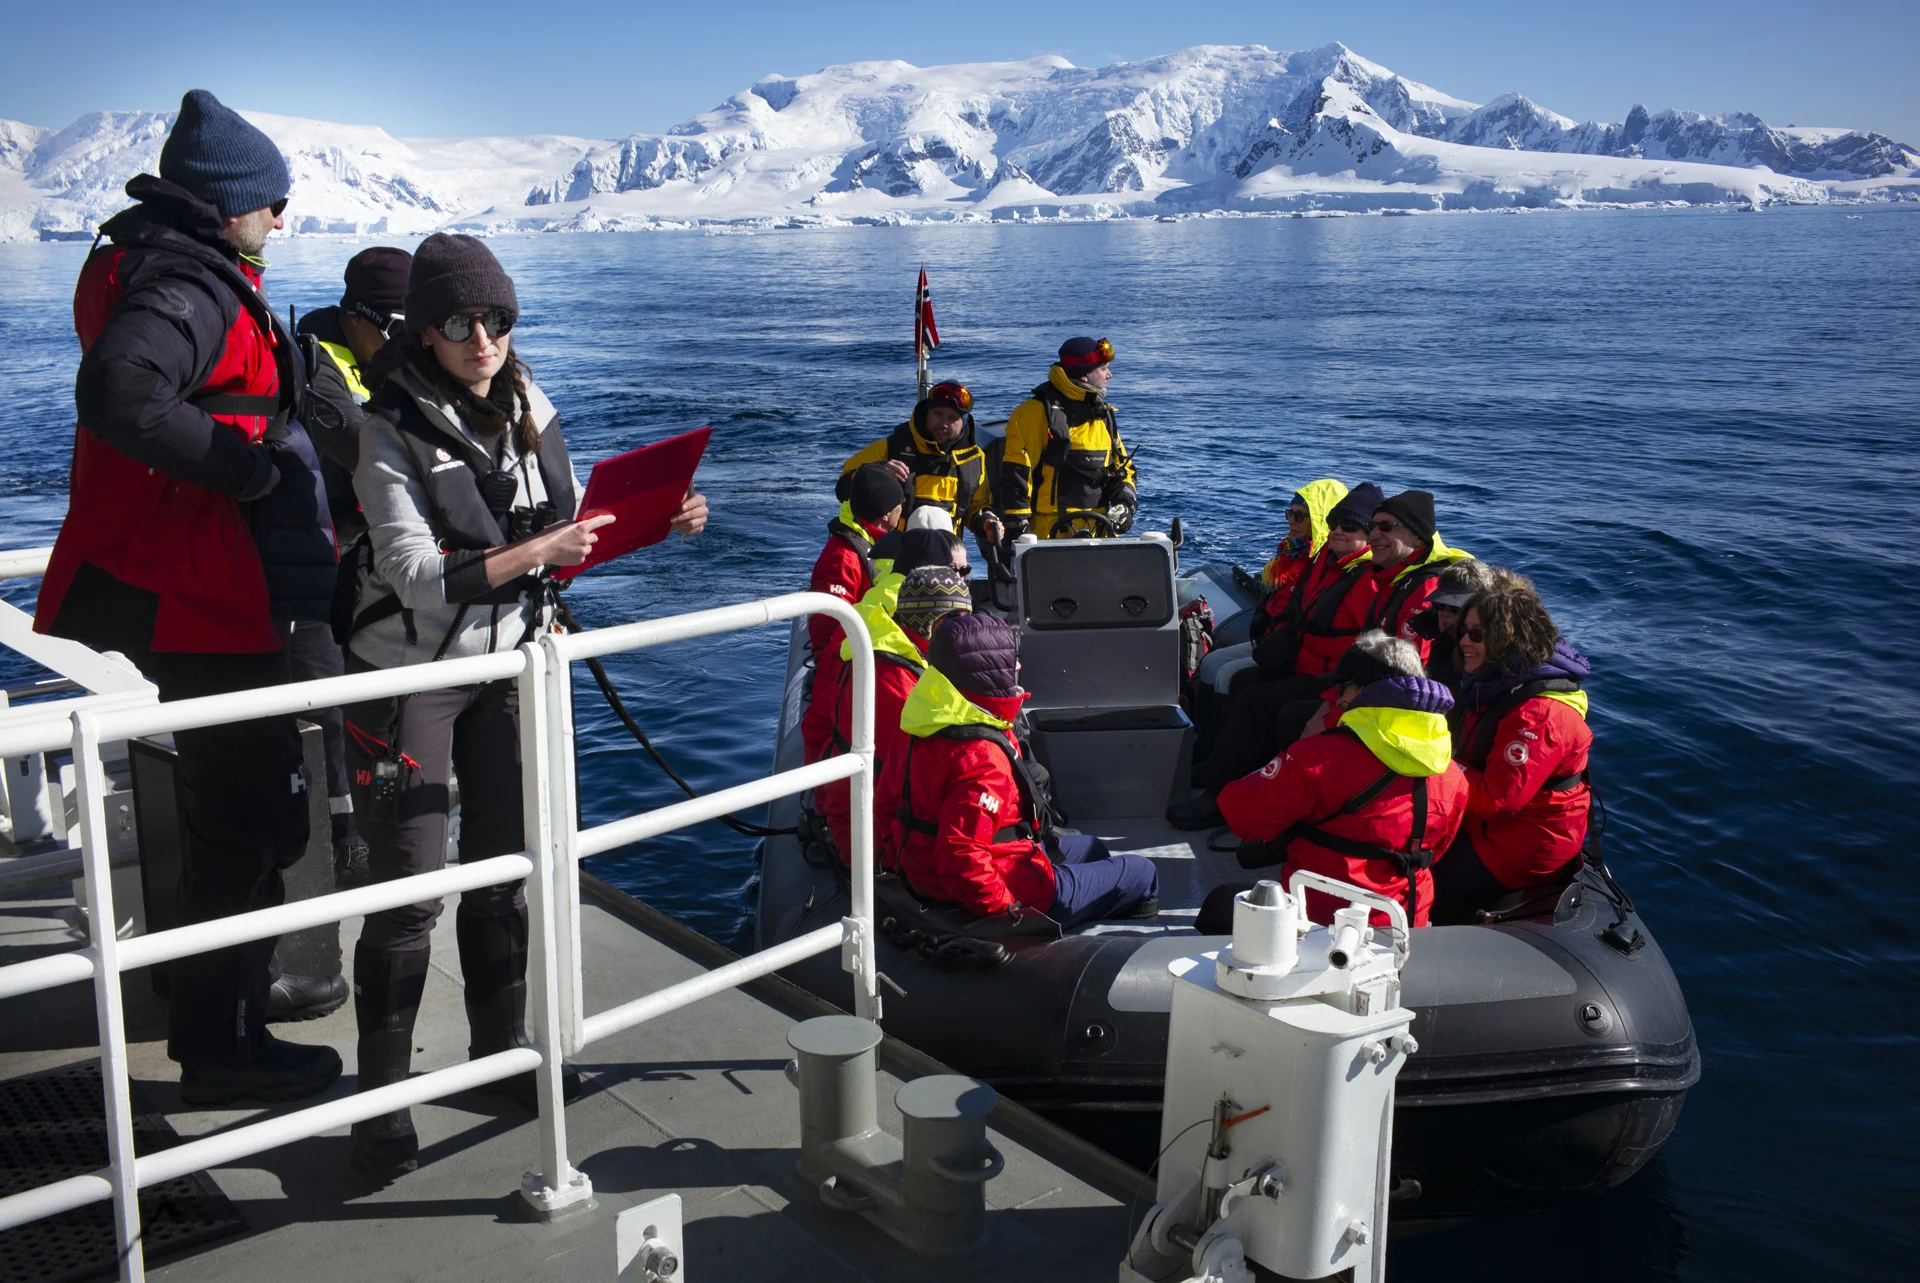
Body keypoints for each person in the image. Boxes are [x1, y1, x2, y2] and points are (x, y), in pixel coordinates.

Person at [340, 233, 708, 1177]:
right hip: (414, 673)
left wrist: (654, 521)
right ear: (424, 331)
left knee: (506, 866)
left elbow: (567, 527)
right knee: (410, 890)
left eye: (496, 319)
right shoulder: (384, 429)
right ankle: (379, 1106)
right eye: (460, 322)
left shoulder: (531, 405)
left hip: (511, 660)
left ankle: (501, 1056)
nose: (482, 339)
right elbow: (416, 575)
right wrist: (541, 554)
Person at [33, 90, 342, 1106]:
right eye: (272, 201)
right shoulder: (191, 284)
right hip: (214, 600)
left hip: (204, 593)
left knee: (232, 817)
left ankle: (220, 1021)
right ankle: (223, 1044)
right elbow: (122, 390)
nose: (282, 220)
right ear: (227, 205)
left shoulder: (152, 264)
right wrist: (245, 472)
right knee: (248, 825)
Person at [892, 614, 1158, 925]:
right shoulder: (982, 758)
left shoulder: (918, 725)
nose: (1017, 667)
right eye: (1009, 661)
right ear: (987, 673)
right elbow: (960, 857)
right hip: (1008, 890)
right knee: (1143, 872)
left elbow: (887, 808)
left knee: (1092, 847)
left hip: (928, 876)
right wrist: (1008, 913)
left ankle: (1082, 910)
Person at [286, 246, 412, 900]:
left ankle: (383, 821)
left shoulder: (396, 359)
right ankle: (346, 841)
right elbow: (360, 443)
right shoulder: (313, 358)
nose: (402, 343)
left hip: (381, 571)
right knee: (333, 719)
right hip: (319, 573)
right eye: (394, 328)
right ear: (358, 316)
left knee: (386, 716)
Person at [1214, 632, 1469, 927]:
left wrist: (1291, 758)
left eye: (1342, 689)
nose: (1337, 699)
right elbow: (1436, 850)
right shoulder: (1452, 775)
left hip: (1318, 923)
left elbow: (1242, 816)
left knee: (1217, 907)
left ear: (1363, 691)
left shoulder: (1319, 757)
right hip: (1406, 924)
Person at [1170, 485, 1381, 830]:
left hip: (1328, 677)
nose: (1340, 530)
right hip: (1301, 661)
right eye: (1336, 523)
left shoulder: (1365, 578)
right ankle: (1222, 767)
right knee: (1242, 680)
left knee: (1259, 699)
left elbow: (1358, 643)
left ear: (1369, 535)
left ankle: (1220, 794)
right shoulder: (1324, 560)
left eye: (1351, 527)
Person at [1431, 576, 1593, 925]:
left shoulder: (1538, 715)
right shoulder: (1496, 685)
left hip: (1518, 846)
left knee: (1417, 877)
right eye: (1464, 631)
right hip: (1488, 828)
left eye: (1477, 635)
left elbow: (1496, 801)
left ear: (1509, 640)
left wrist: (1434, 758)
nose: (1463, 642)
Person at [810, 536, 968, 860]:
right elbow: (915, 783)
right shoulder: (895, 681)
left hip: (869, 822)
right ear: (933, 623)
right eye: (956, 621)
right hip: (881, 844)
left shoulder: (886, 646)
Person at [800, 464, 905, 766]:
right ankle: (822, 803)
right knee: (830, 731)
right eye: (900, 507)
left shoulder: (869, 541)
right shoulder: (842, 557)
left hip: (861, 653)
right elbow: (830, 628)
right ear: (886, 514)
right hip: (842, 663)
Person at [838, 380, 1002, 555]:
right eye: (937, 414)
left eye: (952, 418)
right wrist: (878, 473)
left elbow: (976, 507)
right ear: (926, 413)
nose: (943, 424)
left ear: (963, 421)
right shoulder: (892, 447)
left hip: (946, 557)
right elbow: (842, 489)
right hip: (889, 557)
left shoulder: (974, 460)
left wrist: (986, 521)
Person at [998, 337, 1137, 540]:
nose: (1110, 375)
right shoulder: (1034, 413)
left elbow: (1124, 470)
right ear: (1085, 375)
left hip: (1099, 535)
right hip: (1049, 538)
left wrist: (1124, 504)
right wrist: (1019, 532)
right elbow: (1017, 475)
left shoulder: (1103, 416)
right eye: (1103, 368)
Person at [1362, 490, 1472, 661]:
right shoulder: (1394, 576)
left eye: (1386, 526)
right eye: (1372, 526)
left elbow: (1414, 669)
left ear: (1419, 538)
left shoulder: (1428, 588)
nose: (1372, 535)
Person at [1248, 479, 1347, 642]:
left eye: (1300, 516)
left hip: (1288, 642)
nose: (1291, 520)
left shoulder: (1323, 561)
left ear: (1319, 519)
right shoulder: (1292, 549)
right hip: (1270, 633)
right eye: (1290, 513)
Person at [1416, 558, 1497, 696]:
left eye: (1455, 608)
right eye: (1439, 605)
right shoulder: (1439, 642)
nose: (1445, 613)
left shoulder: (1488, 653)